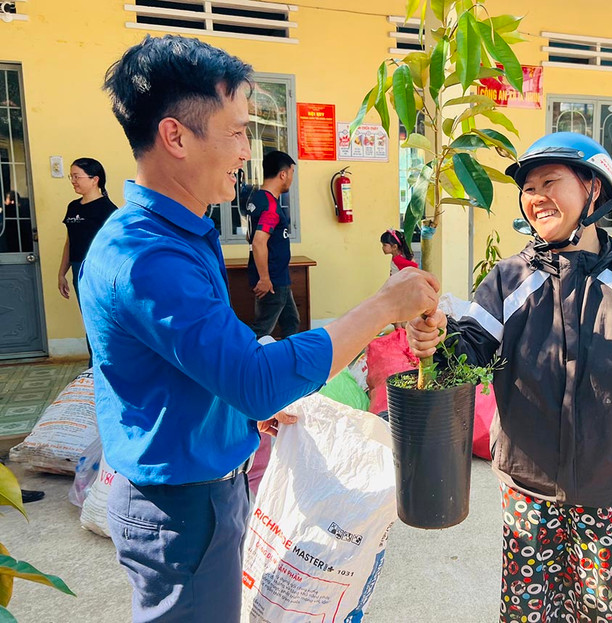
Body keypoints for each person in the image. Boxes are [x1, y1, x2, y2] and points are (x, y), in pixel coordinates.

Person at [81, 35, 439, 622]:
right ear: (175, 136)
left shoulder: (179, 234)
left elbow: (203, 366)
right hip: (181, 509)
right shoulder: (147, 258)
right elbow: (252, 378)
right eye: (237, 132)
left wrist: (242, 413)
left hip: (201, 491)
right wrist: (380, 308)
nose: (247, 151)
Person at [407, 132, 612, 623]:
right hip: (527, 489)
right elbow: (469, 352)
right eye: (528, 188)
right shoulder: (509, 279)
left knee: (604, 613)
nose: (536, 196)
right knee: (526, 613)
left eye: (550, 182)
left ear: (593, 188)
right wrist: (437, 337)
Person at [58, 158, 117, 367]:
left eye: (77, 176)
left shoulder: (107, 210)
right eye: (71, 176)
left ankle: (102, 366)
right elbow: (70, 241)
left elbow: (114, 248)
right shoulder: (73, 206)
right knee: (89, 319)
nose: (73, 181)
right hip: (78, 269)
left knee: (100, 320)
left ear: (95, 179)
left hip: (99, 272)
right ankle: (94, 367)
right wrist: (62, 273)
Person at [246, 150, 298, 338]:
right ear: (283, 174)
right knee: (261, 330)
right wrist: (265, 278)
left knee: (291, 321)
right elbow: (258, 241)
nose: (291, 179)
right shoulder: (270, 206)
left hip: (278, 276)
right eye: (291, 173)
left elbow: (249, 236)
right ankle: (243, 355)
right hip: (272, 280)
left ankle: (290, 355)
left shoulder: (257, 199)